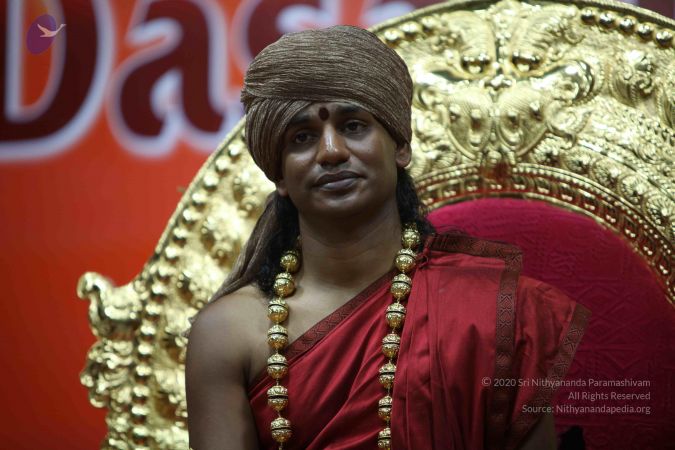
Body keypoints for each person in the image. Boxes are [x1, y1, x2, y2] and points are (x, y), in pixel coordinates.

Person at [184, 25, 590, 450]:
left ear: (400, 147)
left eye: (353, 126)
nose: (331, 151)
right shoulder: (230, 332)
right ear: (279, 174)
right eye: (302, 137)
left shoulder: (495, 310)